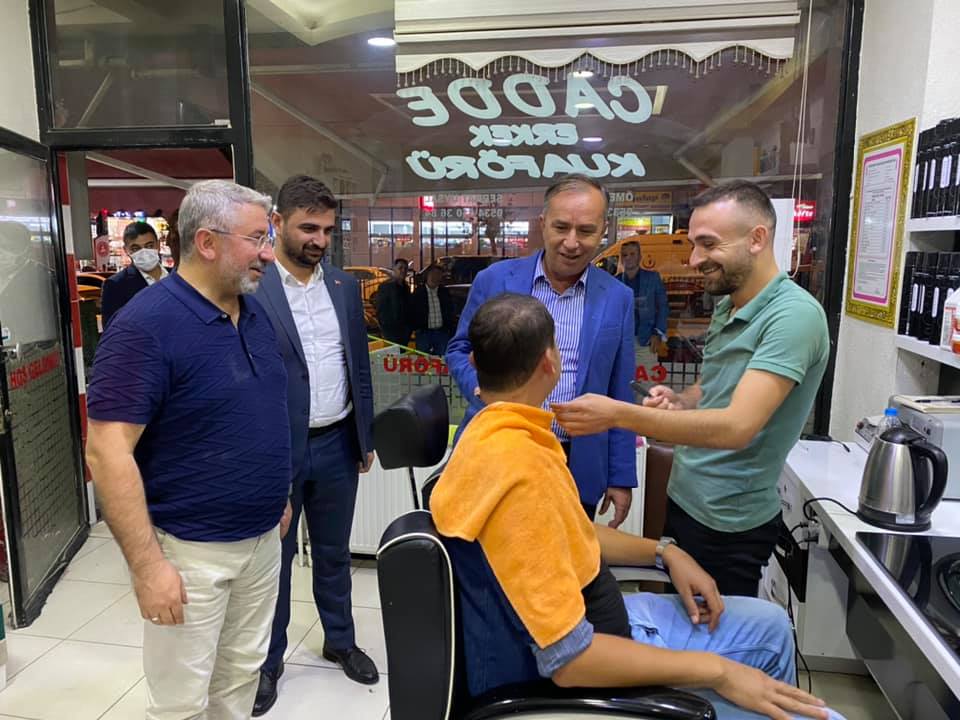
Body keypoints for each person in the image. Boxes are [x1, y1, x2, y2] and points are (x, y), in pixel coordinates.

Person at [431, 293, 844, 720]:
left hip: (602, 616)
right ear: (550, 362)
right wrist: (719, 672)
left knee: (772, 625)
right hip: (592, 660)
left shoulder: (493, 438)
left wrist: (664, 551)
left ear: (475, 365)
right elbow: (569, 659)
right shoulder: (519, 471)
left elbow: (562, 531)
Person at [553, 180, 830, 597]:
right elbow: (718, 384)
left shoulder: (793, 318)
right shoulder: (730, 303)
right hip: (687, 499)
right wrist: (681, 400)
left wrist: (617, 414)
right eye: (694, 244)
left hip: (729, 522)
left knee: (712, 629)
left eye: (708, 244)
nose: (695, 259)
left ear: (757, 239)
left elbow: (737, 427)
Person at [84, 180, 293, 720]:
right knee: (181, 701)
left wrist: (279, 492)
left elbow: (256, 410)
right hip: (190, 551)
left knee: (240, 676)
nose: (269, 254)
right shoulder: (145, 326)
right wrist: (147, 567)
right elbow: (107, 452)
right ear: (206, 242)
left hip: (261, 542)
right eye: (257, 239)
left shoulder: (253, 314)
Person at [253, 175, 378, 715]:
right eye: (309, 228)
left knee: (333, 553)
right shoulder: (254, 285)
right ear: (277, 223)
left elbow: (359, 365)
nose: (320, 240)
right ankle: (269, 662)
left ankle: (340, 641)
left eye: (328, 230)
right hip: (276, 450)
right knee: (275, 562)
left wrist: (365, 435)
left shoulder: (343, 287)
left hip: (337, 444)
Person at [447, 174, 636, 526]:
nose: (571, 243)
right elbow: (460, 350)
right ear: (542, 223)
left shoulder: (618, 298)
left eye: (586, 231)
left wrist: (621, 475)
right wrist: (485, 390)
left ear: (603, 231)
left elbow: (620, 389)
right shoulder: (495, 280)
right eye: (561, 227)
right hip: (498, 449)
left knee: (568, 554)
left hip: (576, 461)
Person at [100, 221, 168, 327]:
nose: (144, 252)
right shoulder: (116, 285)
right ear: (126, 250)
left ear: (158, 245)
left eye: (149, 246)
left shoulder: (177, 275)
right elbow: (112, 330)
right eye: (136, 248)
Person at [618, 238, 668, 371]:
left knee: (646, 381)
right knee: (622, 381)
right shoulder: (615, 281)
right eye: (624, 255)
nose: (628, 258)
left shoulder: (653, 278)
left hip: (646, 340)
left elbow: (662, 306)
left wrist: (658, 333)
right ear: (621, 259)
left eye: (632, 254)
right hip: (621, 342)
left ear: (640, 257)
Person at [411, 263, 455, 355]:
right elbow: (412, 311)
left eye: (438, 274)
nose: (435, 277)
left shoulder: (444, 292)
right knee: (423, 359)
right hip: (423, 333)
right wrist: (416, 327)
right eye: (433, 274)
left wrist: (449, 327)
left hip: (441, 333)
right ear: (427, 275)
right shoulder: (418, 293)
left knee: (442, 359)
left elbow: (450, 310)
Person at [376, 257, 412, 346]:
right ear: (394, 269)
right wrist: (385, 328)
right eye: (400, 268)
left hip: (405, 330)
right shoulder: (386, 286)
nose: (403, 271)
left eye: (405, 269)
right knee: (393, 353)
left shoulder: (406, 288)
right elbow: (380, 309)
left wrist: (409, 328)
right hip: (390, 331)